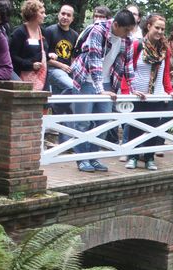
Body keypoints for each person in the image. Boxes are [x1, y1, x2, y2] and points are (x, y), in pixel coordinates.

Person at [70, 8, 143, 172]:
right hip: (86, 80)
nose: (127, 34)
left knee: (103, 123)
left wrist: (133, 88)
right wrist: (99, 89)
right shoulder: (98, 30)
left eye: (130, 31)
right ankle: (81, 159)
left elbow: (127, 64)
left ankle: (93, 157)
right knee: (83, 122)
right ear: (116, 24)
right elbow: (94, 60)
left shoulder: (127, 39)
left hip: (107, 82)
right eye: (125, 30)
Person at [121, 14, 173, 171]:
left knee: (153, 128)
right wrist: (130, 91)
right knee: (135, 126)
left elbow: (165, 74)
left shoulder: (164, 49)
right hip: (139, 94)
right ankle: (132, 156)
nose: (160, 31)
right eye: (157, 28)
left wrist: (170, 91)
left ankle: (149, 158)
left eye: (162, 29)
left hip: (156, 94)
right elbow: (127, 70)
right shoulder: (136, 45)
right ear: (149, 26)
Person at [10, 0, 50, 90]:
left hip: (42, 79)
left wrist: (49, 55)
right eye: (42, 13)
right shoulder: (19, 32)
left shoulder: (44, 32)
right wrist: (30, 65)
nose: (45, 15)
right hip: (21, 78)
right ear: (33, 14)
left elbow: (42, 54)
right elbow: (12, 56)